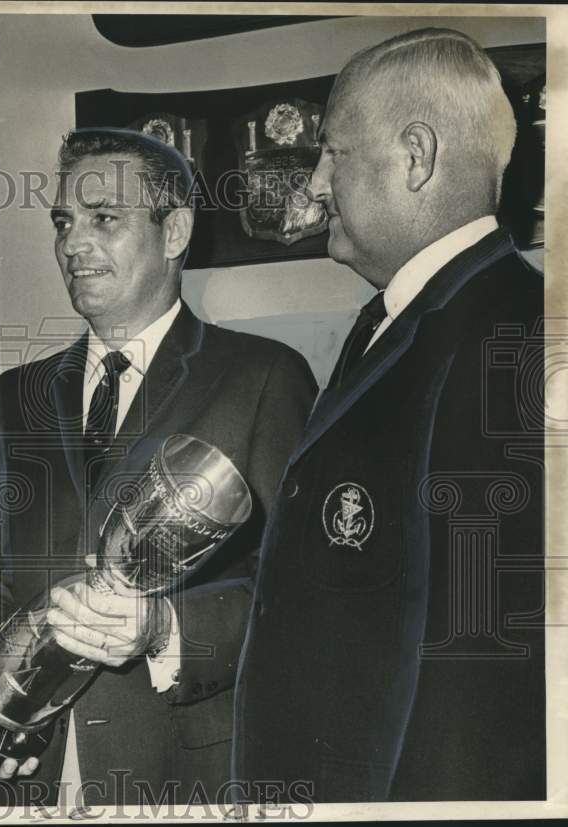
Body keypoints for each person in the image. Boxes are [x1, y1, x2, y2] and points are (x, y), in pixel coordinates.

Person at [0, 127, 317, 807]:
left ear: (176, 233)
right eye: (64, 222)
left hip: (183, 770)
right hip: (32, 770)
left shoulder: (264, 376)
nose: (72, 244)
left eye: (104, 219)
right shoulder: (16, 394)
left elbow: (293, 593)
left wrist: (165, 628)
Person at [232, 28, 546, 802]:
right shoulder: (405, 318)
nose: (314, 179)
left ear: (416, 155)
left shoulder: (507, 333)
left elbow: (483, 669)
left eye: (334, 151)